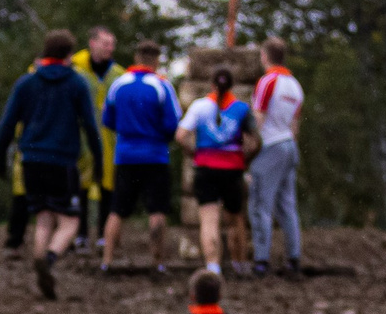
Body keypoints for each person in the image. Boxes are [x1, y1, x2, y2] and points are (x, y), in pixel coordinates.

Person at [0, 31, 106, 299]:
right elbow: (90, 126)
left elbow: (6, 126)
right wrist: (100, 162)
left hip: (30, 160)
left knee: (43, 216)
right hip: (63, 161)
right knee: (70, 221)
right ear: (69, 55)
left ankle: (39, 258)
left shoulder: (26, 84)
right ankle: (50, 259)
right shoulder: (77, 84)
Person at [99, 42, 181, 272]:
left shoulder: (118, 84)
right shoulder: (162, 85)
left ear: (136, 57)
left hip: (125, 156)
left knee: (117, 209)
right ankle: (158, 261)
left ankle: (107, 261)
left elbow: (107, 120)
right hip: (155, 156)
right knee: (157, 210)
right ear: (156, 59)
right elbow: (172, 123)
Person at [176, 67, 252, 275]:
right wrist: (245, 160)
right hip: (233, 169)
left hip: (205, 168)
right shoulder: (241, 109)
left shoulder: (199, 106)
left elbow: (180, 136)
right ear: (231, 86)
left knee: (209, 221)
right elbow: (256, 141)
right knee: (236, 219)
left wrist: (194, 154)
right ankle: (240, 264)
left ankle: (213, 266)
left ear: (211, 85)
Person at [246, 38, 303, 277]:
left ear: (264, 56)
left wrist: (248, 149)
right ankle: (293, 258)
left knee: (260, 204)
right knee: (287, 206)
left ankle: (261, 260)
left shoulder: (267, 82)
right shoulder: (295, 85)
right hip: (289, 145)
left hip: (271, 145)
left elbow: (258, 117)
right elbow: (296, 123)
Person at [69, 27, 120, 247]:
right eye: (105, 43)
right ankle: (79, 233)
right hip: (80, 138)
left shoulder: (119, 75)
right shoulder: (75, 70)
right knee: (80, 186)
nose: (110, 48)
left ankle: (102, 234)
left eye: (112, 44)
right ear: (92, 43)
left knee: (108, 185)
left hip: (110, 139)